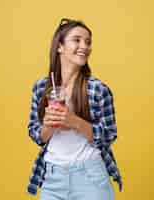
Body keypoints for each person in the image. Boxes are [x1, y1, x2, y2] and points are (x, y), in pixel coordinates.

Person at [27, 18, 122, 200]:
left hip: (90, 176)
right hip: (52, 178)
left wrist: (74, 121)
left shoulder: (97, 89)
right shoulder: (41, 88)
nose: (84, 46)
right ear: (59, 46)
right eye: (77, 40)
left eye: (88, 42)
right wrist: (48, 126)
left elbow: (109, 135)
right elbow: (36, 134)